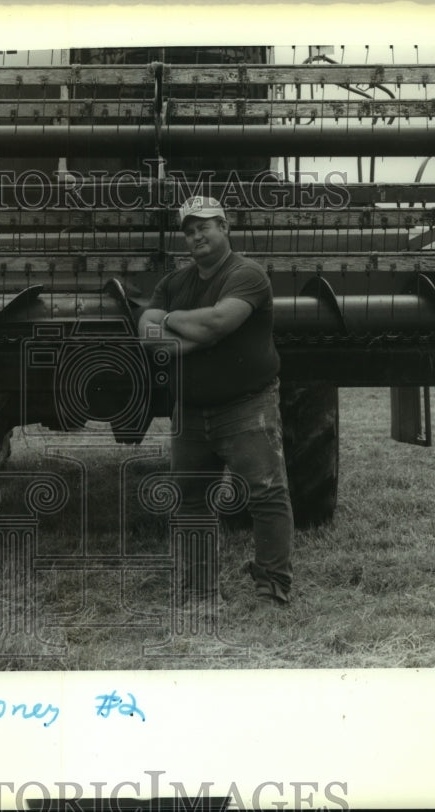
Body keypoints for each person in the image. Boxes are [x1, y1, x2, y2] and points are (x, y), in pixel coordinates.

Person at [138, 195, 294, 605]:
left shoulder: (248, 274)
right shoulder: (173, 283)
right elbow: (148, 336)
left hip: (247, 406)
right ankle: (200, 591)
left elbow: (220, 321)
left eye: (203, 226)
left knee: (265, 493)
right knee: (192, 500)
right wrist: (198, 336)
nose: (195, 236)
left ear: (224, 228)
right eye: (188, 231)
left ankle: (272, 587)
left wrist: (172, 321)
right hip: (189, 410)